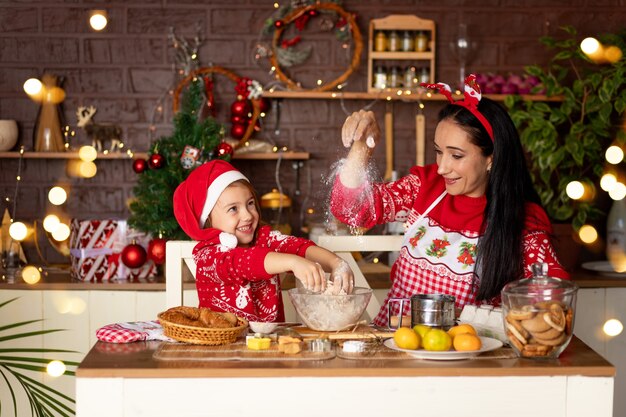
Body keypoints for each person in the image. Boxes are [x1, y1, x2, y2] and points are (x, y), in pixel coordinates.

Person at [330, 74, 569, 327]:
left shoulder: (523, 220)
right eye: (438, 152)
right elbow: (350, 210)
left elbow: (552, 298)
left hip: (471, 357)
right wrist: (362, 146)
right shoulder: (425, 186)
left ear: (491, 158)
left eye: (456, 155)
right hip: (395, 346)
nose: (442, 167)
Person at [173, 159, 354, 323]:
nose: (247, 215)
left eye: (250, 203)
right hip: (222, 351)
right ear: (208, 220)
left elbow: (298, 247)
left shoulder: (263, 237)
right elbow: (246, 262)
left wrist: (335, 262)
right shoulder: (207, 255)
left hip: (269, 348)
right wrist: (292, 262)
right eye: (233, 209)